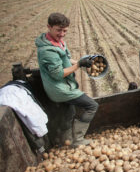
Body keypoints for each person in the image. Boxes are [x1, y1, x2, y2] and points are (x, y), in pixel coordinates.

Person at [36, 13, 98, 147]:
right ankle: (78, 140)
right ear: (49, 27)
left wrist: (81, 63)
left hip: (65, 85)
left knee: (70, 112)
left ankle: (65, 139)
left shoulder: (58, 42)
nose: (62, 34)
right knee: (92, 105)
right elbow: (58, 74)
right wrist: (78, 65)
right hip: (59, 89)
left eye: (65, 31)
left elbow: (65, 59)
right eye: (59, 30)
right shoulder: (47, 51)